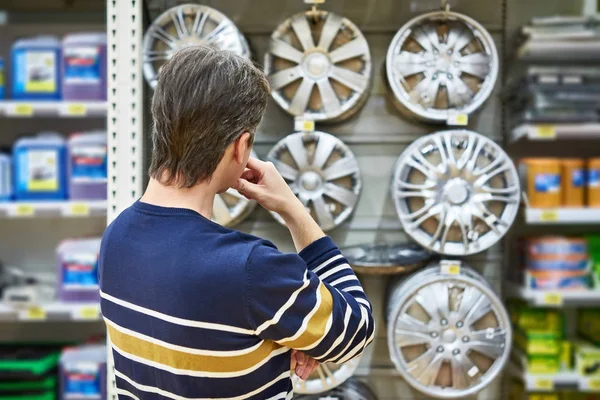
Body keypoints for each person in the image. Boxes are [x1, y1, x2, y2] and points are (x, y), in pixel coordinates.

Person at [98, 45, 374, 400]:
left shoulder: (116, 239)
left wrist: (271, 343)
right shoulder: (249, 270)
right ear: (241, 147)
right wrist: (292, 209)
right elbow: (357, 331)